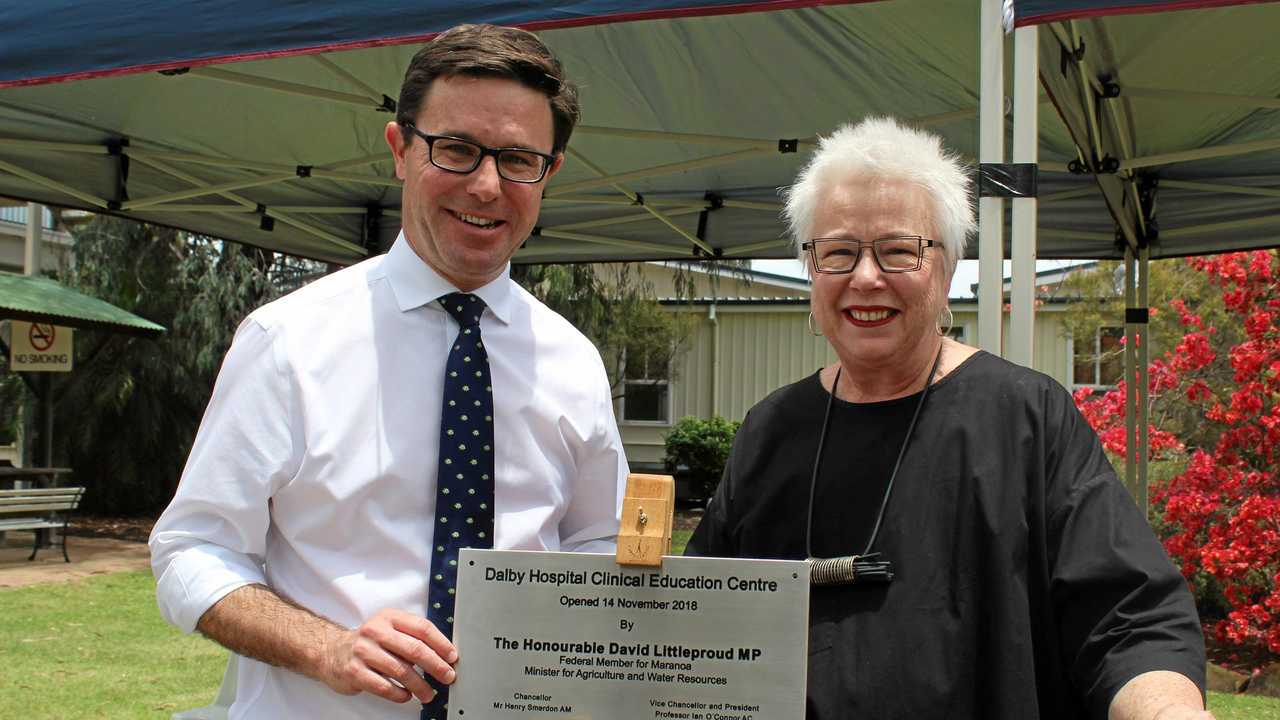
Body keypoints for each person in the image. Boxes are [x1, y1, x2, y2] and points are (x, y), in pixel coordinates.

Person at [149, 24, 628, 720]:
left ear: (548, 173)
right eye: (457, 149)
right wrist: (326, 647)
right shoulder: (289, 342)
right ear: (401, 150)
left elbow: (596, 541)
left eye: (519, 158)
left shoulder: (573, 360)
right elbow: (192, 551)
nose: (487, 185)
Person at [685, 117, 1211, 720]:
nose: (864, 277)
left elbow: (1129, 618)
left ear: (948, 264)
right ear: (811, 269)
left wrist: (1167, 711)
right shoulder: (770, 431)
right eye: (837, 253)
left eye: (898, 251)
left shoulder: (1026, 417)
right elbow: (700, 617)